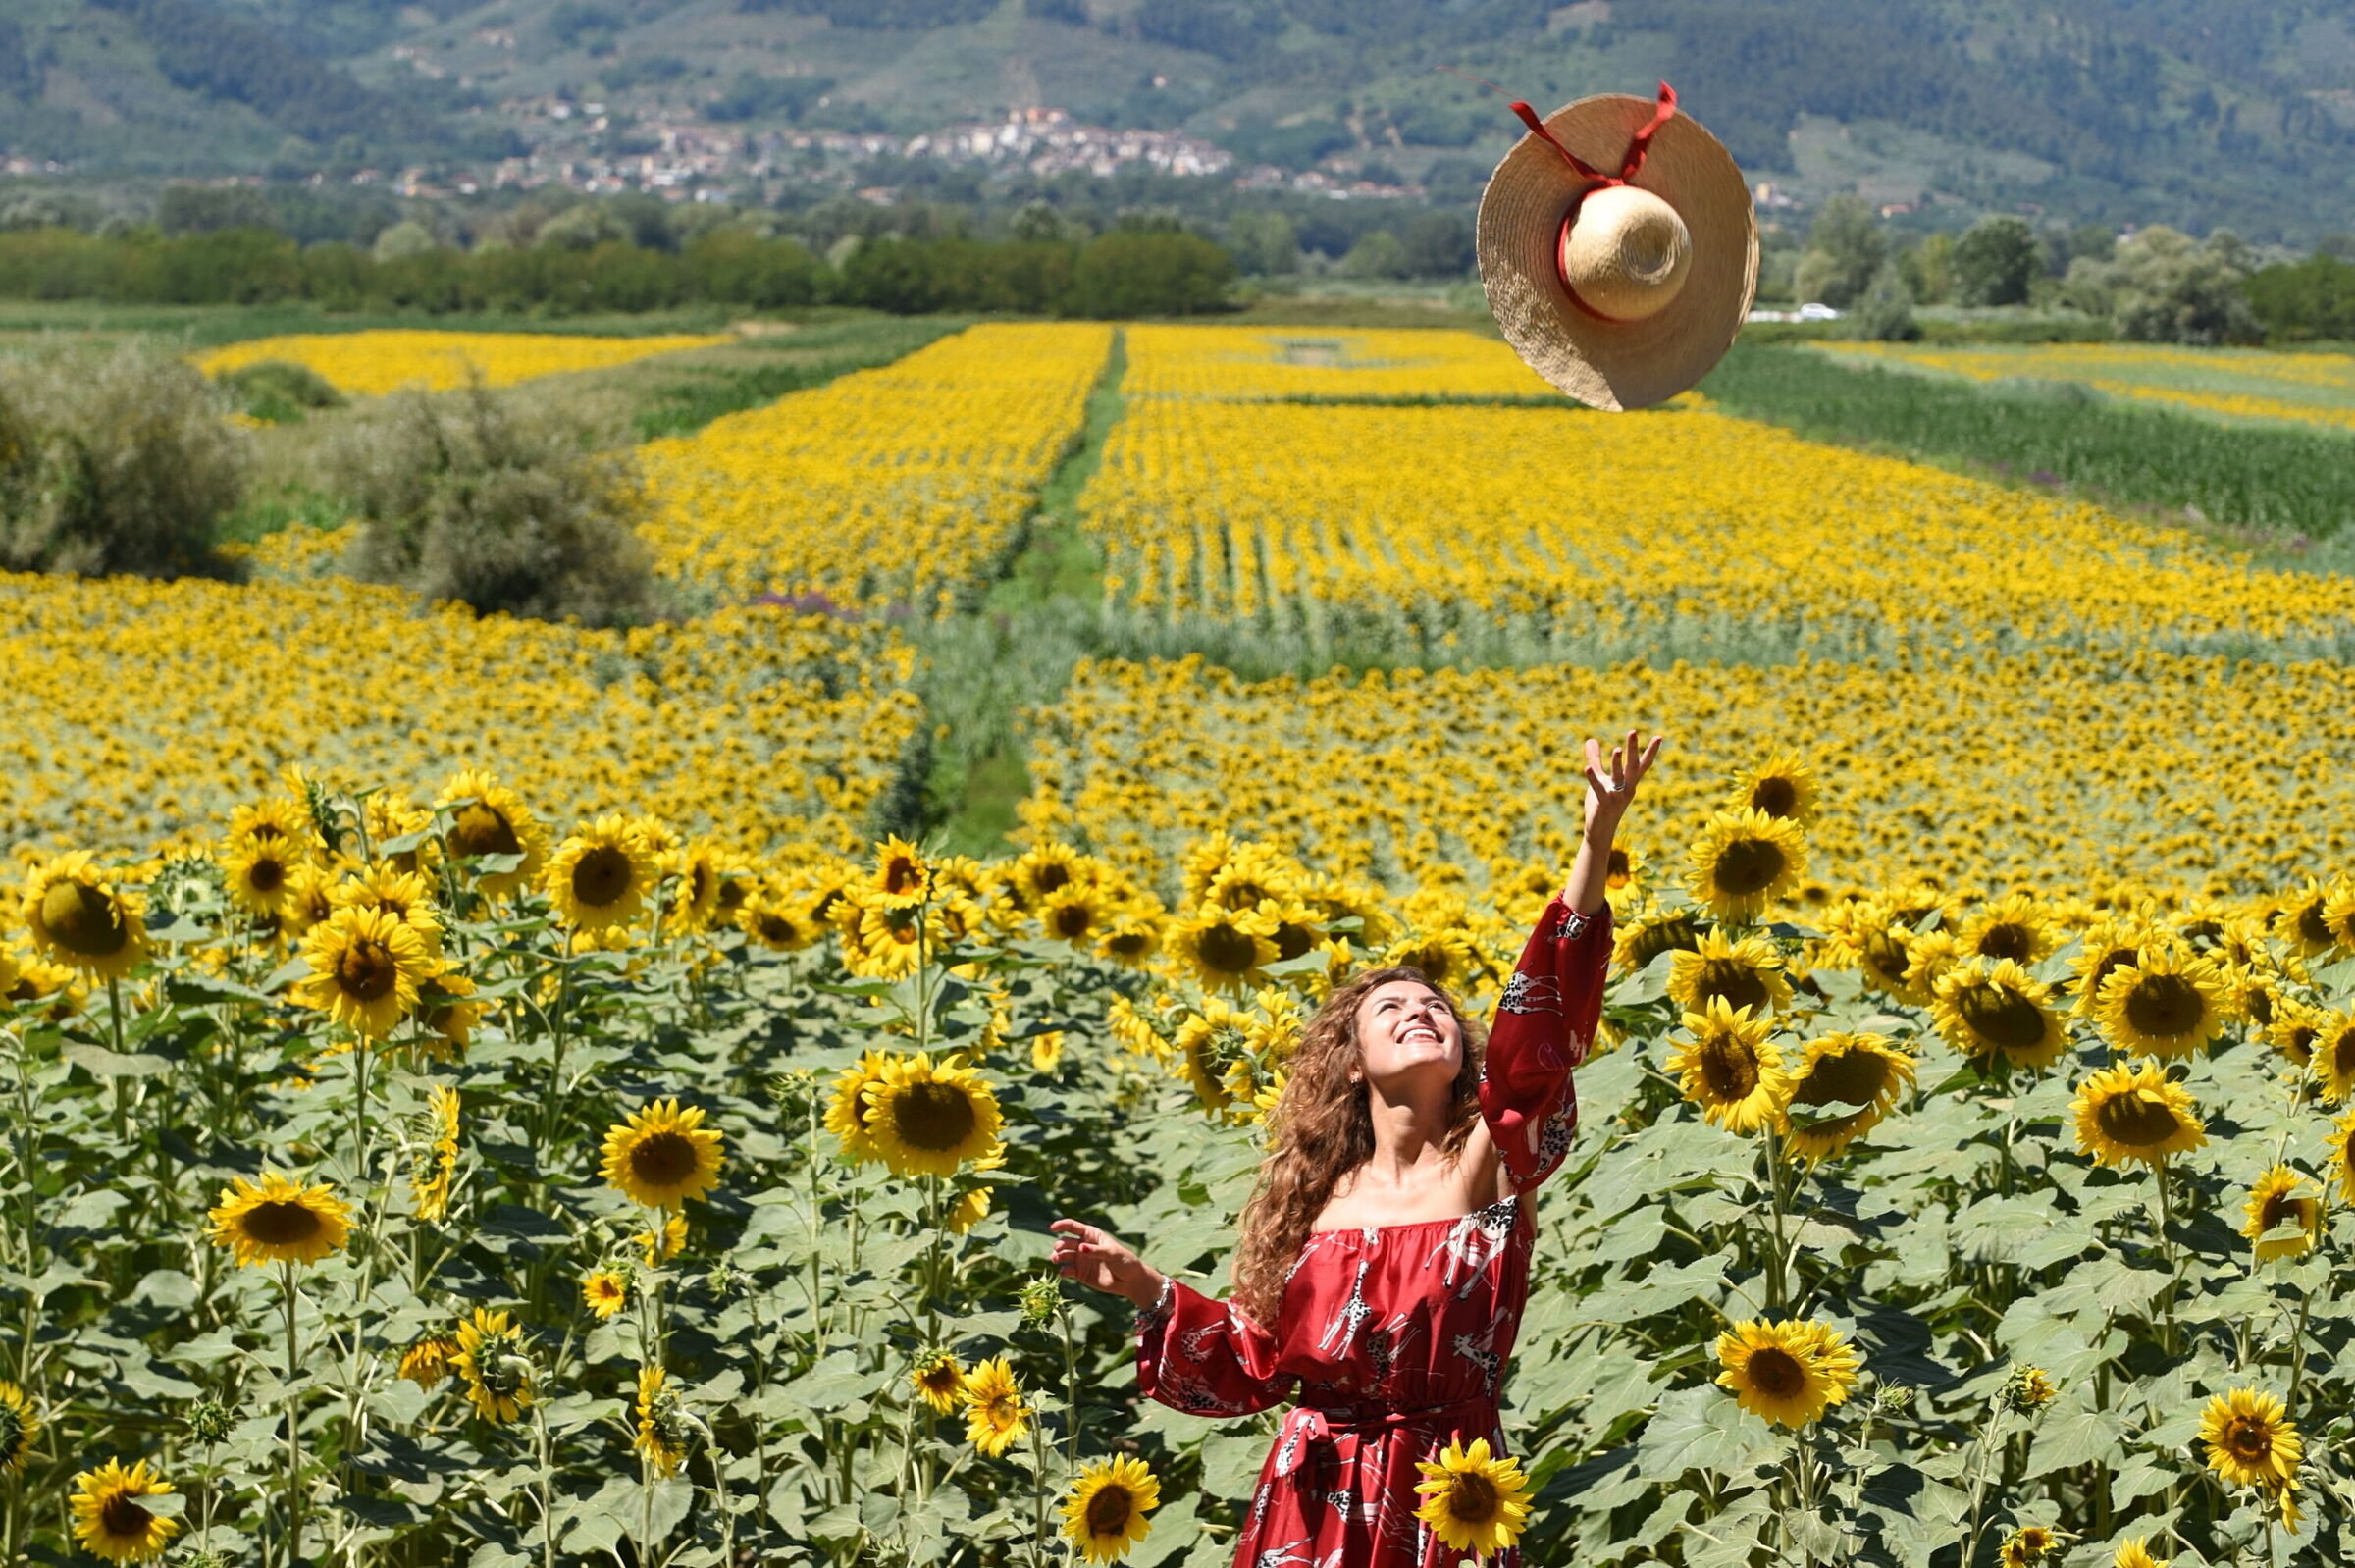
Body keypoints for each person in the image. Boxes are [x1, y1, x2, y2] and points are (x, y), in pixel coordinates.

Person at [1051, 729, 1664, 1566]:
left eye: (1437, 1007)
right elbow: (1255, 1364)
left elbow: (1544, 1030)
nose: (1421, 1011)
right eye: (1392, 1009)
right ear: (1349, 1066)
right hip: (1314, 1500)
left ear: (1462, 1052)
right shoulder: (1316, 1202)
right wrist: (1144, 1286)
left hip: (1452, 1494)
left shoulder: (1488, 1158)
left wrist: (1595, 843)